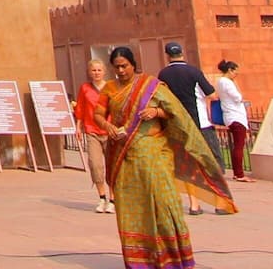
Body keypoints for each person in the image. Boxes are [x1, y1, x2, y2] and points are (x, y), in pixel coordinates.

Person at [102, 47, 236, 268]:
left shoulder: (152, 85)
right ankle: (140, 259)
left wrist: (155, 113)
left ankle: (173, 257)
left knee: (165, 203)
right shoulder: (110, 88)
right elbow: (98, 114)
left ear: (133, 64)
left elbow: (174, 113)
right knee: (131, 206)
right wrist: (107, 126)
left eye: (124, 65)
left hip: (157, 154)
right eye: (116, 67)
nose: (121, 70)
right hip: (126, 156)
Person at [155, 41, 220, 215]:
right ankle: (220, 202)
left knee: (188, 165)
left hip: (177, 124)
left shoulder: (163, 74)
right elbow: (212, 95)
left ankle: (194, 203)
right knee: (209, 163)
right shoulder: (193, 72)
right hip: (200, 124)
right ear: (182, 53)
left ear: (167, 55)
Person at [77, 59, 115, 213]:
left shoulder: (111, 88)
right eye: (94, 70)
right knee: (95, 164)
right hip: (92, 130)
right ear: (89, 72)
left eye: (99, 70)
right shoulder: (85, 88)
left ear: (104, 71)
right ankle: (102, 198)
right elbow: (80, 107)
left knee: (111, 166)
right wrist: (78, 126)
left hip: (109, 130)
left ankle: (113, 200)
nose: (96, 73)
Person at [214, 60, 254, 183]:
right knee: (239, 146)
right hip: (236, 116)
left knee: (236, 145)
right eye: (235, 71)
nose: (236, 74)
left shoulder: (220, 82)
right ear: (230, 70)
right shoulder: (227, 83)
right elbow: (237, 97)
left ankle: (238, 172)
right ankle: (239, 173)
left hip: (229, 115)